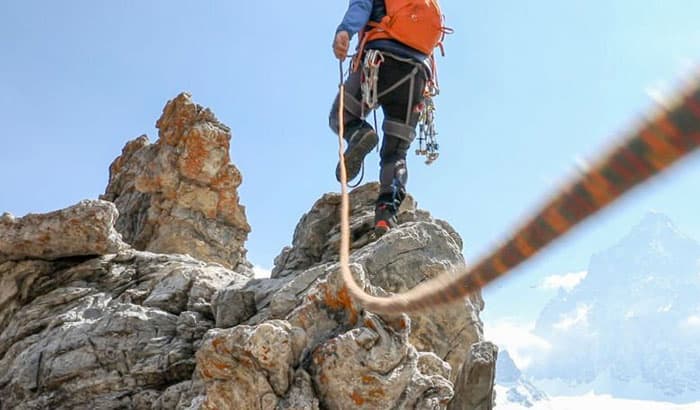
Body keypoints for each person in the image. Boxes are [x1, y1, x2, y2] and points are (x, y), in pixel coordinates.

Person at [329, 0, 442, 236]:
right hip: (416, 75)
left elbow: (360, 6)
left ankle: (361, 133)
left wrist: (344, 31)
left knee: (341, 115)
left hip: (379, 61)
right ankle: (385, 216)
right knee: (396, 153)